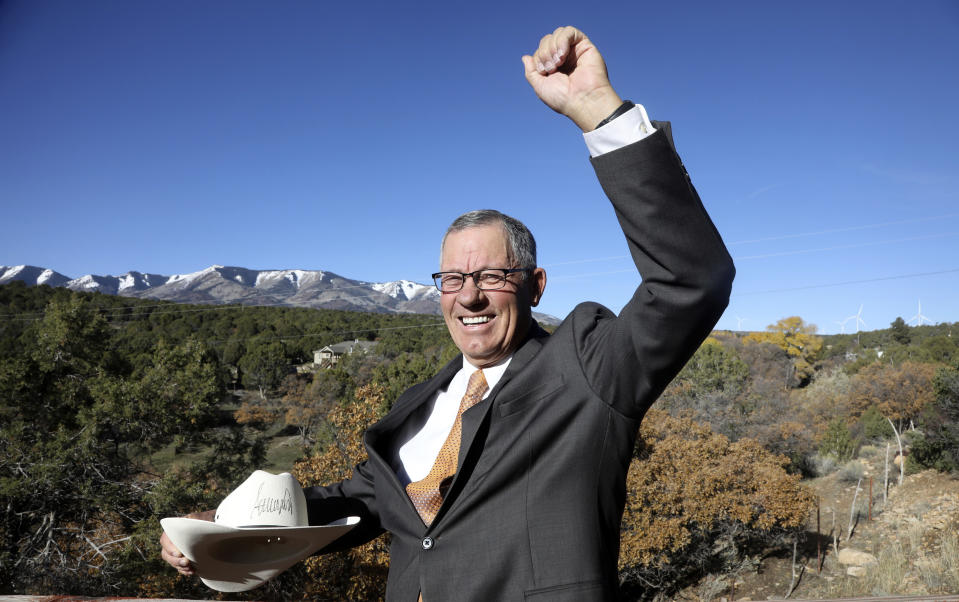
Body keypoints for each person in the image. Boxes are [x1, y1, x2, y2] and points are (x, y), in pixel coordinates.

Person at [161, 25, 735, 600]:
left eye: (491, 276)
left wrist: (599, 113)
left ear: (535, 286)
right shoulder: (421, 404)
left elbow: (692, 279)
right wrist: (232, 532)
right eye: (453, 279)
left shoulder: (587, 368)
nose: (469, 296)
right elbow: (364, 501)